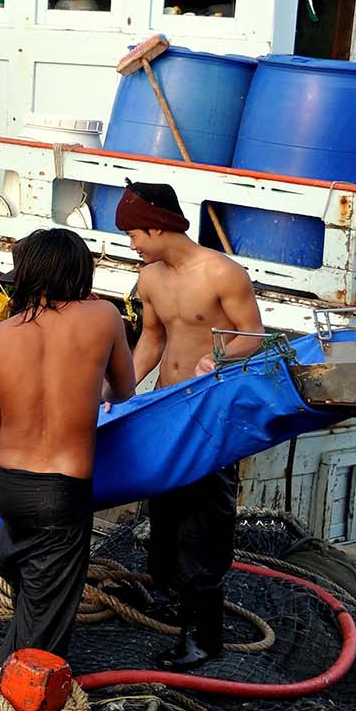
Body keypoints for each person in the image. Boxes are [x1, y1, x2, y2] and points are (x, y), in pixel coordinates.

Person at [115, 180, 265, 670]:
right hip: (164, 407)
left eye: (135, 232)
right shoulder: (149, 279)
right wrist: (120, 394)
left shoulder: (223, 272)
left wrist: (217, 357)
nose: (132, 242)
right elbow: (151, 343)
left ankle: (204, 635)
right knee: (166, 511)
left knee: (205, 520)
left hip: (209, 411)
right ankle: (167, 597)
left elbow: (254, 336)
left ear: (158, 225)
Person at [0, 229, 136, 665]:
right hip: (60, 493)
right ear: (79, 270)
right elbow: (124, 390)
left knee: (31, 584)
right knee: (45, 630)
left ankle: (17, 661)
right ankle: (12, 706)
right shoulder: (104, 317)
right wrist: (88, 390)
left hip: (8, 486)